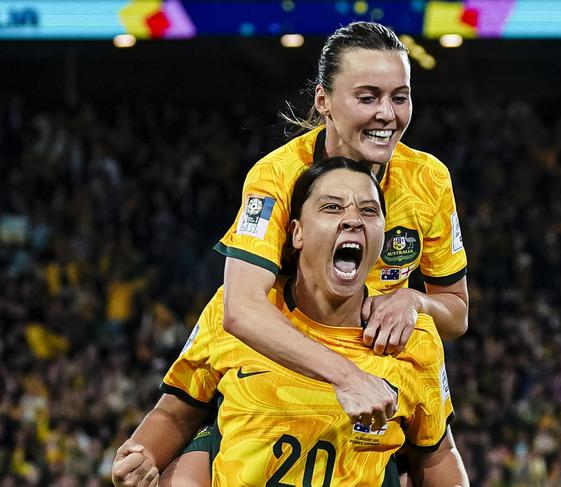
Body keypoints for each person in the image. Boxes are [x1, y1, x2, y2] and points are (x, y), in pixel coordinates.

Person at [113, 159, 468, 486]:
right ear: (296, 233)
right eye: (332, 207)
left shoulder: (411, 337)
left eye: (369, 210)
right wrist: (141, 456)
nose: (352, 219)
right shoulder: (239, 311)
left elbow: (436, 456)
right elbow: (176, 415)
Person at [216, 20, 469, 429]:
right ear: (324, 101)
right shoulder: (277, 176)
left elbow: (457, 315)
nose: (387, 114)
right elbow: (241, 308)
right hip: (277, 379)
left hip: (376, 386)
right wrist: (348, 377)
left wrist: (414, 301)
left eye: (399, 97)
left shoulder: (428, 179)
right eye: (367, 97)